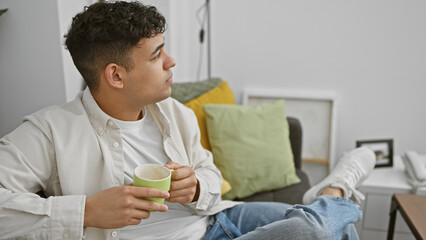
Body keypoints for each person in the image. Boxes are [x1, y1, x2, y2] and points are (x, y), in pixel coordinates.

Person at [0, 2, 376, 239]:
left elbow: (210, 177)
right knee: (314, 228)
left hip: (217, 222)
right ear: (116, 76)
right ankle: (334, 192)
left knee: (333, 231)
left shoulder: (174, 113)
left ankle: (328, 202)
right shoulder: (49, 131)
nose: (172, 62)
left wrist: (196, 187)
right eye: (157, 54)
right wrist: (88, 211)